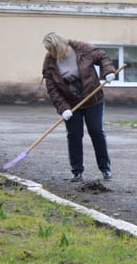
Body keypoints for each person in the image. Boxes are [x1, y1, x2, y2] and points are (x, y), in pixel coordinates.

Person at [41, 32, 118, 182]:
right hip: (70, 104)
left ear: (59, 46)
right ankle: (77, 171)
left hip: (93, 99)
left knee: (96, 132)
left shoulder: (82, 49)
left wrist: (108, 71)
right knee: (74, 135)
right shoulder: (50, 61)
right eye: (48, 50)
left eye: (51, 49)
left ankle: (105, 168)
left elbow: (102, 57)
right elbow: (52, 89)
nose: (50, 53)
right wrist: (63, 108)